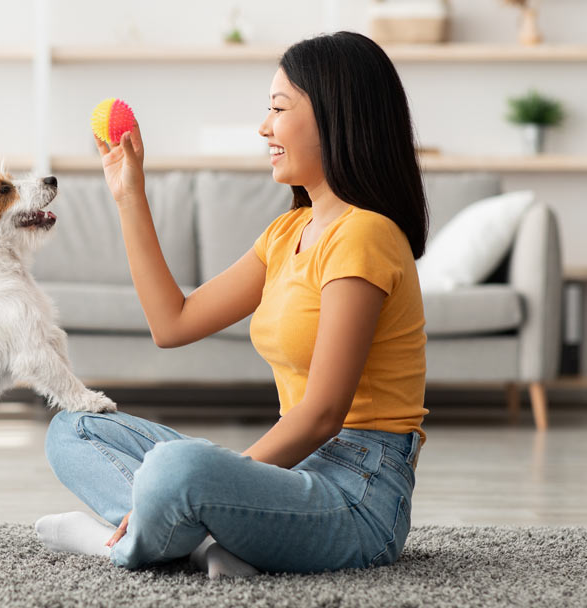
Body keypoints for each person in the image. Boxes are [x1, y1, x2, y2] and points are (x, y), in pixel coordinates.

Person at [34, 31, 429, 578]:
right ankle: (206, 546)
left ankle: (115, 542)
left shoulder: (365, 236)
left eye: (278, 108)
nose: (264, 127)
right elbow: (171, 324)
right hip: (296, 473)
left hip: (359, 496)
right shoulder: (288, 231)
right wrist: (129, 195)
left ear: (336, 117)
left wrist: (213, 477)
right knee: (75, 429)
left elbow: (321, 416)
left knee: (178, 470)